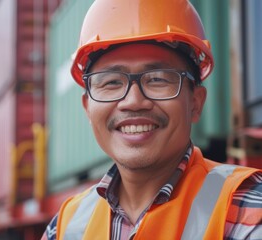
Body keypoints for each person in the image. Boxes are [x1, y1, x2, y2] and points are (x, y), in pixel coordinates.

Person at [42, 0, 262, 239]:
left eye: (158, 79)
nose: (134, 101)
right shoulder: (65, 227)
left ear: (196, 103)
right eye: (112, 82)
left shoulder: (246, 212)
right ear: (87, 108)